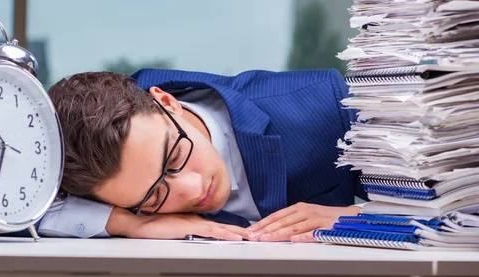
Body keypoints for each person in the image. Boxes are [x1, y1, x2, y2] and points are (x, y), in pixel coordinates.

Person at [37, 68, 367, 242]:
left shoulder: (325, 106)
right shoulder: (105, 178)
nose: (193, 190)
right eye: (155, 198)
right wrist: (128, 224)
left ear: (167, 103)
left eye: (176, 157)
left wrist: (358, 219)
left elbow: (420, 200)